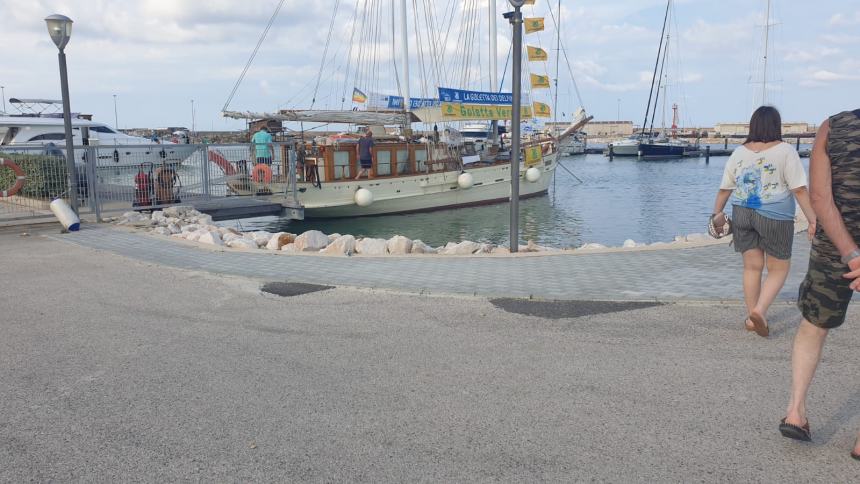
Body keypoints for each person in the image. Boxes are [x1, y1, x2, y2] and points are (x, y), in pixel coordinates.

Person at [780, 108, 860, 460]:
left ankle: (796, 412)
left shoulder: (834, 125)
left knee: (814, 325)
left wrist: (851, 254)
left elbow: (820, 198)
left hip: (834, 249)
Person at [711, 106, 816, 337]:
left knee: (751, 267)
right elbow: (799, 189)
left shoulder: (739, 152)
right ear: (776, 126)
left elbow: (724, 188)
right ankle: (759, 310)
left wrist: (716, 214)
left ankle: (752, 318)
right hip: (775, 216)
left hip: (742, 213)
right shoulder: (786, 151)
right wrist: (813, 220)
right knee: (778, 268)